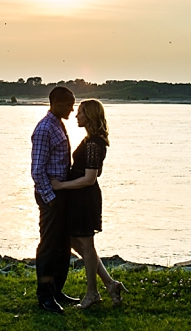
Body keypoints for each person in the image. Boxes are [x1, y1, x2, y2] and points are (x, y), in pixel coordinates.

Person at [50, 99, 127, 308]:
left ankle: (93, 293)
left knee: (86, 244)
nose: (76, 115)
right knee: (76, 242)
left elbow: (90, 178)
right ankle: (110, 284)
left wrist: (60, 186)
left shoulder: (94, 143)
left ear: (90, 115)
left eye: (81, 112)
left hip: (85, 198)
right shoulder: (90, 140)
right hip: (78, 197)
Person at [30, 86, 80, 314]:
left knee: (62, 246)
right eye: (69, 104)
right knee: (49, 247)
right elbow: (37, 170)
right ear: (57, 103)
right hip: (51, 195)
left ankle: (56, 290)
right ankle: (44, 296)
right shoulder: (44, 129)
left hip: (61, 193)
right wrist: (50, 198)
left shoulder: (58, 124)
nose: (72, 108)